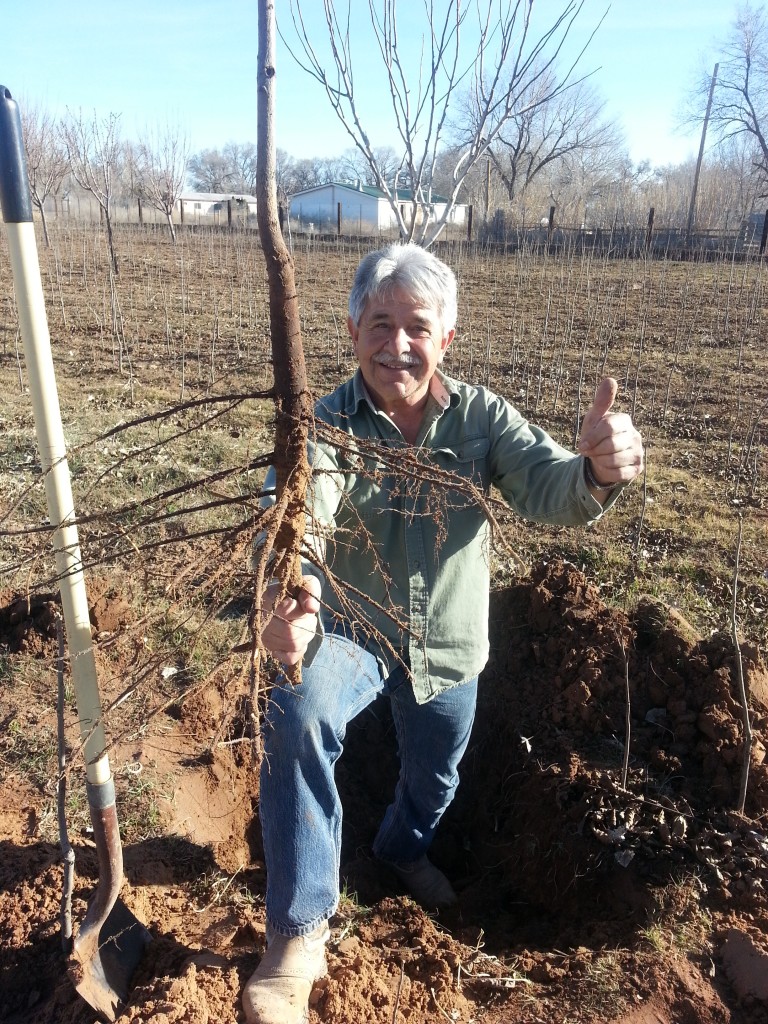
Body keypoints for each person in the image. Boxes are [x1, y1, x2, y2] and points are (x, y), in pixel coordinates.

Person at [242, 243, 644, 1024]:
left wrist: (595, 470)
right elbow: (297, 512)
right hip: (350, 630)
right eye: (381, 323)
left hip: (451, 644)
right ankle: (296, 934)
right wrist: (292, 589)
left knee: (435, 782)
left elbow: (549, 483)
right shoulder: (326, 425)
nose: (398, 344)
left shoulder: (481, 419)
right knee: (295, 711)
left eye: (417, 326)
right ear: (354, 328)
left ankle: (399, 848)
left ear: (445, 339)